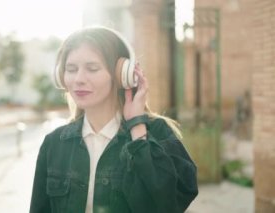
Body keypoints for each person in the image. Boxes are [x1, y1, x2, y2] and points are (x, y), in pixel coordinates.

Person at [30, 26, 198, 213]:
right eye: (71, 69)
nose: (78, 79)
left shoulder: (157, 132)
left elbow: (169, 204)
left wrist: (137, 128)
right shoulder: (54, 143)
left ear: (122, 75)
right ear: (61, 76)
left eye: (92, 68)